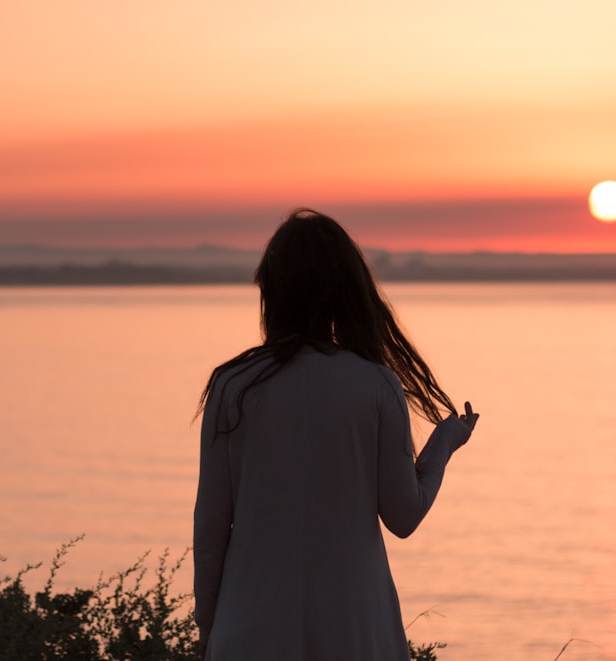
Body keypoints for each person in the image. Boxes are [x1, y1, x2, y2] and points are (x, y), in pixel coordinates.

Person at [193, 208, 478, 660]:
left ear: (272, 290)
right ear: (345, 292)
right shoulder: (375, 385)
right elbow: (404, 516)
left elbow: (210, 531)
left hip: (248, 630)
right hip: (356, 629)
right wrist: (443, 444)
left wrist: (210, 629)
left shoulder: (234, 386)